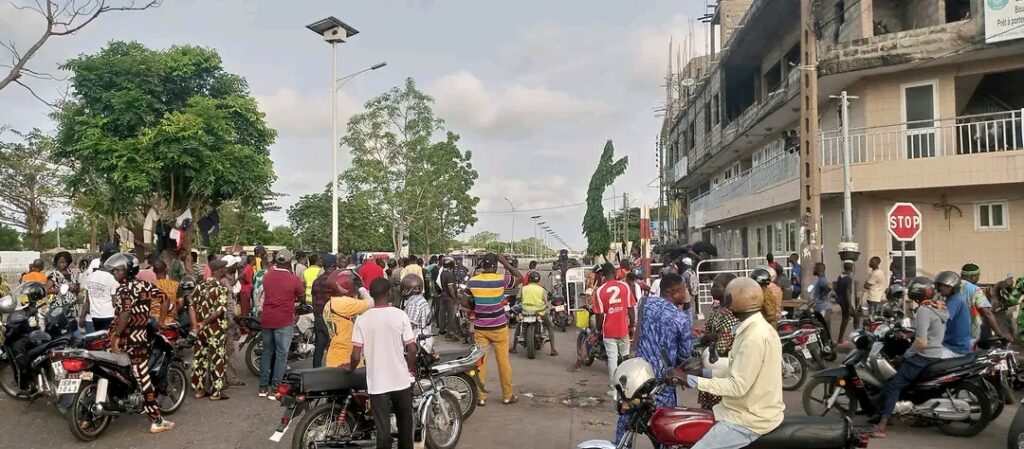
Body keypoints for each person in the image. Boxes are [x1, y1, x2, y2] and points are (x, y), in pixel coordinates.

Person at [684, 277, 784, 449]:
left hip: (748, 420)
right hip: (743, 411)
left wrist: (692, 381)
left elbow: (737, 386)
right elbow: (737, 369)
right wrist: (703, 373)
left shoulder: (753, 337)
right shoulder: (755, 328)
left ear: (731, 299)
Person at [872, 277, 959, 438]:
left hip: (924, 355)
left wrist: (904, 356)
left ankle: (882, 427)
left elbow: (921, 343)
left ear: (917, 292)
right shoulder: (939, 307)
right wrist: (910, 334)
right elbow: (931, 332)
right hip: (936, 353)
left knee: (893, 385)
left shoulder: (923, 311)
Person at [615, 273, 696, 444]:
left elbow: (639, 332)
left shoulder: (646, 303)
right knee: (665, 431)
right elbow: (685, 355)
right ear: (675, 293)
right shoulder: (680, 318)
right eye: (684, 290)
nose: (686, 293)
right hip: (662, 383)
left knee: (627, 422)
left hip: (638, 377)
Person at [106, 253, 175, 433]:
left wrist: (116, 336)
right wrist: (161, 321)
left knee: (116, 375)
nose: (115, 272)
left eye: (118, 270)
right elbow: (165, 298)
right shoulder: (145, 285)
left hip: (121, 339)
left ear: (128, 270)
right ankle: (156, 421)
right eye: (114, 270)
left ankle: (110, 414)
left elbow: (125, 313)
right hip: (137, 340)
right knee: (142, 379)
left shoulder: (123, 289)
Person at [348, 278, 418, 449]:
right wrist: (409, 369)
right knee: (405, 428)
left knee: (383, 431)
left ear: (371, 295)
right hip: (401, 381)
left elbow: (356, 355)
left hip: (378, 384)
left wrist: (350, 368)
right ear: (389, 293)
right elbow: (412, 349)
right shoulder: (400, 315)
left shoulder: (362, 320)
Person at [464, 253, 522, 406]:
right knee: (503, 362)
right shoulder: (502, 279)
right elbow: (520, 278)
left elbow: (464, 300)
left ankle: (481, 397)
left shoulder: (473, 281)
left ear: (482, 265)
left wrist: (475, 306)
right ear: (496, 266)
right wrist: (506, 264)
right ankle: (507, 396)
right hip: (499, 328)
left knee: (480, 363)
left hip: (481, 328)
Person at [259, 249, 304, 397]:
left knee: (267, 352)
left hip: (267, 319)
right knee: (281, 354)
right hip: (284, 320)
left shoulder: (267, 276)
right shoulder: (293, 279)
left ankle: (262, 387)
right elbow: (301, 294)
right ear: (290, 263)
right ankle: (275, 388)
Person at [189, 259, 231, 400]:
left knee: (199, 358)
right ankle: (215, 392)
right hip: (216, 329)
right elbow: (218, 312)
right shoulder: (221, 288)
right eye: (225, 268)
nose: (226, 270)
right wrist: (204, 322)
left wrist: (196, 324)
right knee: (217, 359)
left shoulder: (200, 285)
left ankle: (199, 390)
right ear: (220, 271)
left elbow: (191, 305)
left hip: (201, 331)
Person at [699, 273, 741, 410]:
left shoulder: (729, 313)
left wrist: (710, 337)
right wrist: (709, 336)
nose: (711, 289)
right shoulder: (717, 309)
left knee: (717, 409)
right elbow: (708, 330)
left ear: (728, 290)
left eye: (716, 286)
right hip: (713, 364)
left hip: (721, 367)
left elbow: (723, 345)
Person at [595, 263, 637, 397]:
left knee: (612, 359)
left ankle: (614, 389)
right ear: (614, 272)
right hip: (623, 328)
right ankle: (626, 387)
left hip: (609, 330)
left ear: (603, 275)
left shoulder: (600, 291)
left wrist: (598, 330)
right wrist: (632, 326)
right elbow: (631, 309)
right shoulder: (625, 286)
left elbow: (599, 315)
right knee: (625, 358)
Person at [324, 268, 373, 368]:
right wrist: (362, 290)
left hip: (335, 354)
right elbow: (371, 303)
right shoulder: (343, 303)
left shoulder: (330, 303)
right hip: (346, 356)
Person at [960, 263, 1012, 343]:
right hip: (969, 335)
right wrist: (1000, 333)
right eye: (978, 275)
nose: (979, 278)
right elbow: (987, 313)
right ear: (972, 277)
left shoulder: (951, 287)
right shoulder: (975, 290)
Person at [514, 271, 558, 356]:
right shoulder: (541, 289)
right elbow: (545, 301)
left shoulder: (524, 288)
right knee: (549, 326)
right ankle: (553, 349)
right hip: (539, 312)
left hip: (525, 312)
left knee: (519, 325)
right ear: (538, 280)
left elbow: (518, 298)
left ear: (529, 279)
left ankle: (514, 347)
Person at [310, 254, 339, 367]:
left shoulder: (316, 281)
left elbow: (314, 299)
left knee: (319, 347)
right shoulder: (336, 281)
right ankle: (332, 371)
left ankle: (315, 371)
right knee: (333, 347)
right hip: (332, 318)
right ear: (334, 265)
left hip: (319, 316)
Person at [80, 250, 120, 331]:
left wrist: (82, 317)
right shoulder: (113, 279)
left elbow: (87, 301)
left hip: (92, 318)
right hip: (108, 317)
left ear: (101, 261)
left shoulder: (90, 276)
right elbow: (114, 302)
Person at [46, 251, 81, 330]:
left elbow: (77, 288)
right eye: (60, 262)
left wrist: (76, 288)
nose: (63, 264)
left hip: (72, 308)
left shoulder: (72, 273)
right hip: (59, 309)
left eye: (65, 262)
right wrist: (64, 288)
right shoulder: (54, 275)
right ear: (56, 263)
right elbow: (46, 290)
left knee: (73, 331)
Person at [402, 274, 433, 352]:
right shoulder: (421, 299)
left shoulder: (414, 304)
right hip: (423, 339)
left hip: (415, 342)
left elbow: (410, 326)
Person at [151, 260, 180, 326]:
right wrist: (173, 312)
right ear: (166, 270)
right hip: (171, 322)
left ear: (154, 271)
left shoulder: (150, 286)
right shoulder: (176, 285)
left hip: (154, 322)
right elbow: (180, 302)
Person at [834, 261, 856, 344]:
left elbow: (836, 288)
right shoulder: (848, 279)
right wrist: (850, 305)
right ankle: (857, 337)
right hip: (846, 301)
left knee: (845, 319)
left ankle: (840, 339)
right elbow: (848, 292)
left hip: (841, 300)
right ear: (851, 268)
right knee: (856, 317)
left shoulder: (840, 277)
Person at [437, 257, 458, 339]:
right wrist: (454, 298)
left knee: (442, 313)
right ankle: (450, 331)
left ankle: (442, 329)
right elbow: (450, 288)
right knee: (451, 315)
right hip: (449, 297)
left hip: (443, 295)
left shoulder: (442, 273)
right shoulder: (449, 274)